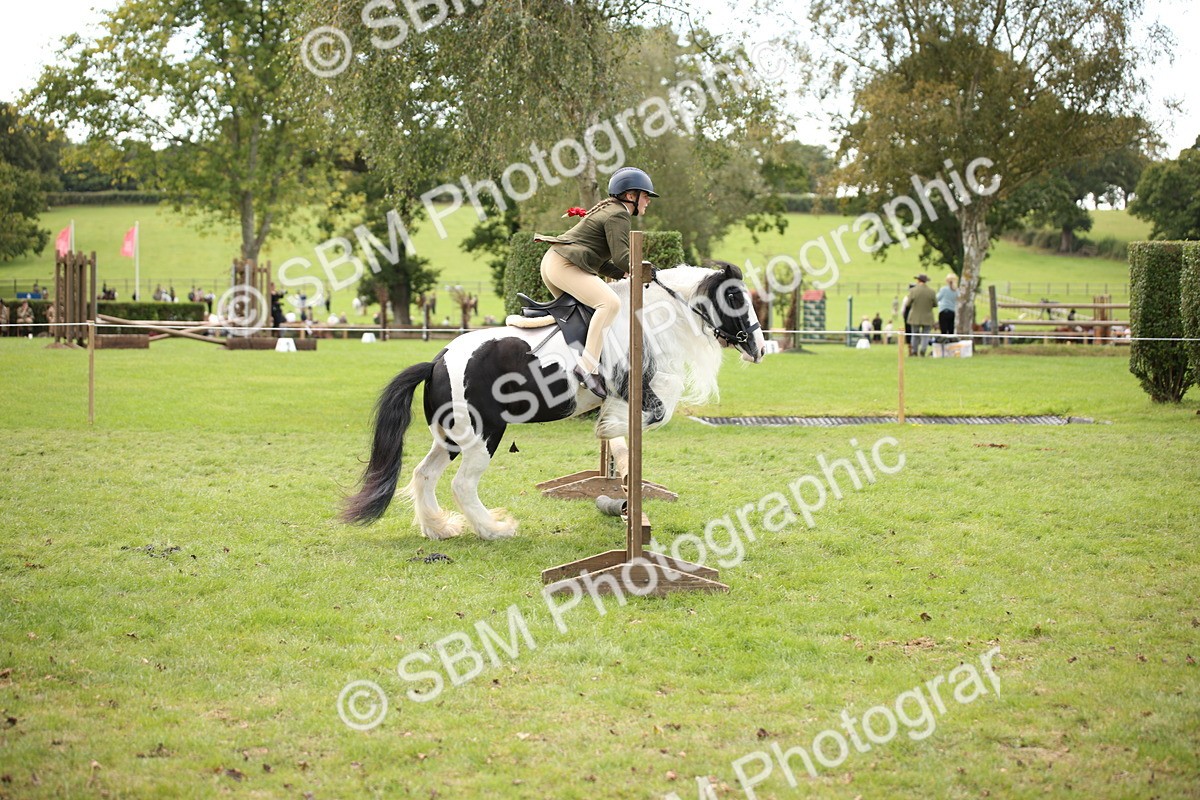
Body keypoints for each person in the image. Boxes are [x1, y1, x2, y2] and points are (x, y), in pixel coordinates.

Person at [534, 166, 659, 398]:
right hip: (563, 265)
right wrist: (650, 272)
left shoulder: (611, 210)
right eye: (645, 196)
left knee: (586, 315)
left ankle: (578, 362)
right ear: (631, 196)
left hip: (554, 263)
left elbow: (600, 262)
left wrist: (624, 274)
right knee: (609, 304)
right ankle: (588, 368)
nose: (648, 201)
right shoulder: (618, 214)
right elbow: (624, 258)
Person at [905, 274, 937, 356]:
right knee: (925, 334)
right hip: (927, 316)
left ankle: (914, 351)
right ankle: (923, 350)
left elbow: (908, 304)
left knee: (915, 334)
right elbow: (935, 304)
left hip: (915, 316)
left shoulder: (913, 291)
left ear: (918, 281)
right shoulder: (931, 291)